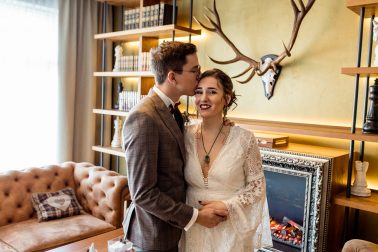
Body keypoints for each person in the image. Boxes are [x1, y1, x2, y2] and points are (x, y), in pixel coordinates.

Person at [122, 42, 228, 252]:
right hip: (154, 235)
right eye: (194, 70)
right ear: (172, 77)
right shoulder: (143, 117)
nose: (199, 75)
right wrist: (196, 217)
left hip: (175, 232)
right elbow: (143, 193)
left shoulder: (172, 110)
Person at [181, 69, 272, 251]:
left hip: (229, 230)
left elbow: (257, 187)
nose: (203, 98)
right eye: (199, 92)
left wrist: (227, 205)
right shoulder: (184, 135)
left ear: (227, 98)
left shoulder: (245, 139)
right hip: (193, 226)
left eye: (212, 92)